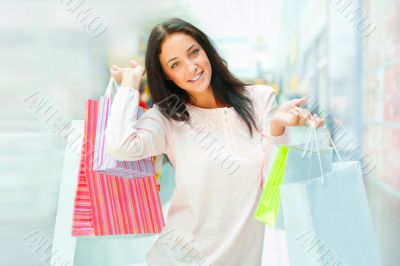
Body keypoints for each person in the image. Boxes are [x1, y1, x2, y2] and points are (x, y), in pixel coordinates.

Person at [105, 18, 324, 266]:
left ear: (206, 49)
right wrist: (130, 85)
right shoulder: (168, 117)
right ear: (166, 76)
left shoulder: (259, 99)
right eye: (175, 64)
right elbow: (119, 145)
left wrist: (277, 128)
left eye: (194, 52)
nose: (191, 67)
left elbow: (272, 188)